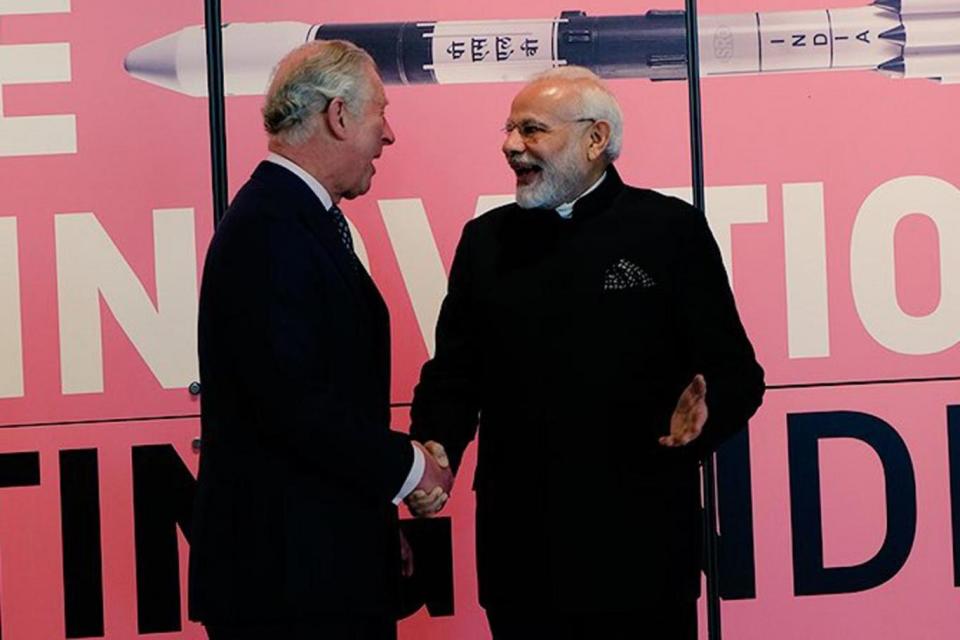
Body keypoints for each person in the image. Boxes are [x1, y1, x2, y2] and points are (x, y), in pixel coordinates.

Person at [407, 66, 765, 639]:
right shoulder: (486, 240)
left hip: (641, 553)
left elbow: (736, 374)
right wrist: (435, 450)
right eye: (507, 130)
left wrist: (705, 416)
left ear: (596, 139)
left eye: (531, 130)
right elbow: (455, 374)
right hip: (522, 555)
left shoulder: (669, 229)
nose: (510, 146)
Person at [188, 40, 451, 640]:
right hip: (288, 586)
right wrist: (412, 470)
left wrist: (375, 528)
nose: (389, 136)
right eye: (380, 113)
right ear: (338, 116)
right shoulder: (272, 229)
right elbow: (295, 406)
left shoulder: (294, 219)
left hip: (316, 569)